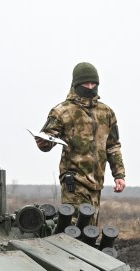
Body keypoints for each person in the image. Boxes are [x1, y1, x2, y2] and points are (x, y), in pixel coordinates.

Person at [35, 62, 125, 224]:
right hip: (74, 181)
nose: (90, 87)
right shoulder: (62, 111)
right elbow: (48, 140)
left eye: (93, 83)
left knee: (90, 230)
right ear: (76, 84)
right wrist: (43, 142)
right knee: (76, 229)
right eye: (85, 83)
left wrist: (119, 175)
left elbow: (113, 146)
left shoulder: (106, 112)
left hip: (97, 183)